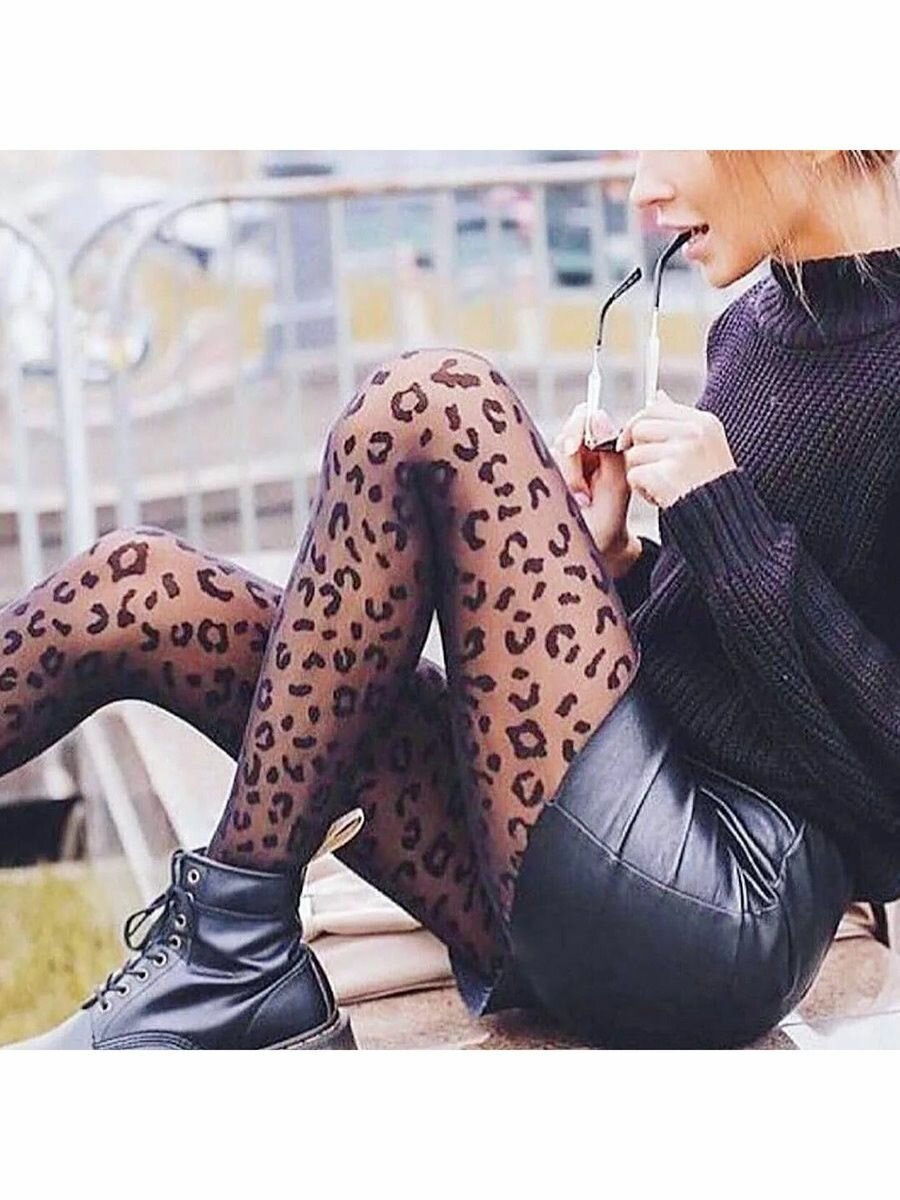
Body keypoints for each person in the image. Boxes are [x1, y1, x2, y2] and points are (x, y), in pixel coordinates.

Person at [6, 150, 900, 1050]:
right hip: (604, 825)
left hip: (717, 901)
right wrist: (620, 562)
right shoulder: (757, 323)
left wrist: (724, 519)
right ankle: (233, 947)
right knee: (137, 589)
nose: (643, 190)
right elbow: (731, 668)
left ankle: (231, 952)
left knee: (435, 404)